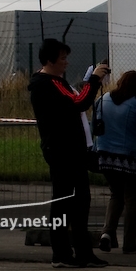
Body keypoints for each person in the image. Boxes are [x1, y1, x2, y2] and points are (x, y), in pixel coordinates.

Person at [30, 37, 111, 268]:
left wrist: (91, 81)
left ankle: (82, 252)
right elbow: (79, 102)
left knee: (79, 202)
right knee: (66, 203)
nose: (66, 62)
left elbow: (76, 100)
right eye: (63, 58)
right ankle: (63, 254)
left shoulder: (57, 82)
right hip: (63, 152)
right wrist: (95, 79)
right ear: (50, 60)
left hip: (72, 151)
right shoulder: (49, 83)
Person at [97, 71, 136, 254]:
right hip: (129, 157)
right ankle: (130, 243)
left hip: (105, 156)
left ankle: (107, 233)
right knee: (132, 199)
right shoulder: (135, 102)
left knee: (115, 195)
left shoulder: (103, 99)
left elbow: (94, 126)